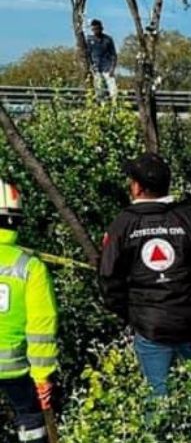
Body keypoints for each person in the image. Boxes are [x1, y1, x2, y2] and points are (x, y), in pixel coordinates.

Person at [99, 153, 191, 429]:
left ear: (137, 187)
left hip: (150, 326)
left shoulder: (123, 224)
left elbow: (108, 279)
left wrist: (130, 313)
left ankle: (161, 434)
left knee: (157, 391)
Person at [0, 181, 58, 443]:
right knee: (31, 423)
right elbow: (41, 327)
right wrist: (42, 375)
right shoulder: (30, 267)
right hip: (17, 371)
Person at [86, 19, 118, 100]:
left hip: (107, 67)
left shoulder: (108, 39)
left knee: (113, 89)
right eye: (94, 29)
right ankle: (101, 105)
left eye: (97, 28)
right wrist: (91, 66)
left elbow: (113, 55)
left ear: (101, 28)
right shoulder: (90, 40)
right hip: (96, 67)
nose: (96, 31)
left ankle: (114, 105)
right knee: (99, 89)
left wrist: (112, 69)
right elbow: (88, 55)